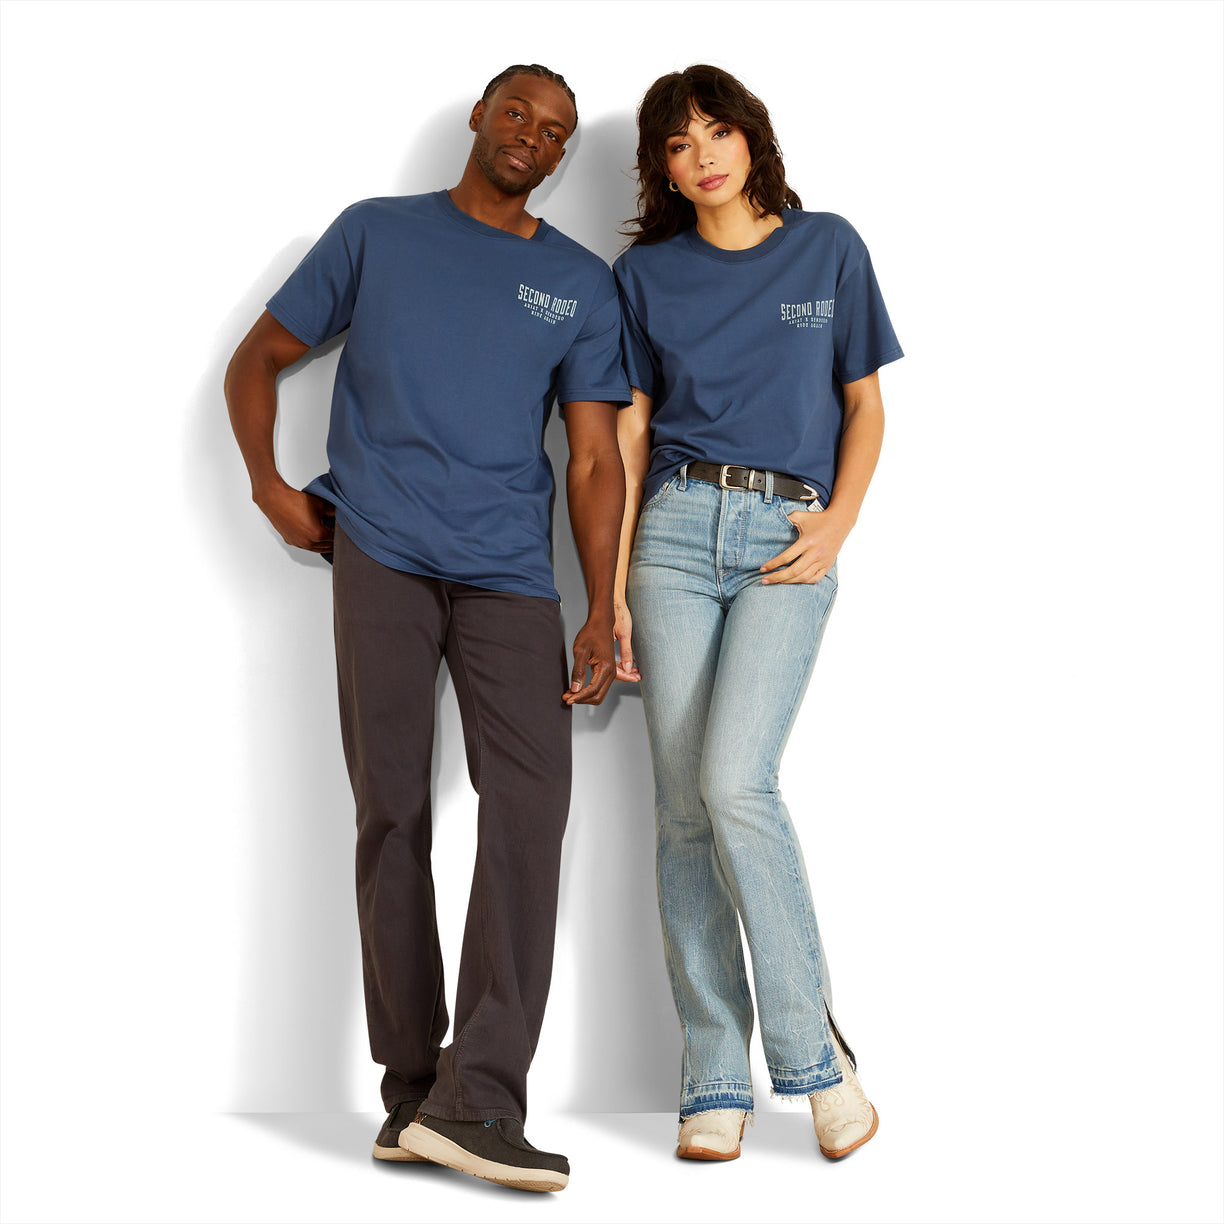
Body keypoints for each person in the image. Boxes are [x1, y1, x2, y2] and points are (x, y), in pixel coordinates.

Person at [224, 64, 629, 1193]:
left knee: (529, 810)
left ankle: (481, 1094)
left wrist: (602, 604)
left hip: (509, 576)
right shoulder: (376, 233)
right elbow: (258, 358)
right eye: (517, 114)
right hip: (382, 554)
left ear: (559, 159)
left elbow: (594, 456)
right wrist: (268, 485)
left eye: (554, 134)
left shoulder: (580, 284)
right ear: (480, 119)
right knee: (390, 811)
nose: (532, 138)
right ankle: (413, 1099)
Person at [611, 65, 903, 1162]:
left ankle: (816, 1060)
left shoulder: (827, 247)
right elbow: (632, 436)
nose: (702, 158)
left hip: (789, 535)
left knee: (737, 780)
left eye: (716, 133)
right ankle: (714, 1076)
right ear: (664, 170)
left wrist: (841, 525)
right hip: (676, 537)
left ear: (750, 138)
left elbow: (865, 404)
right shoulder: (644, 276)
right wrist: (615, 588)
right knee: (684, 809)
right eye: (679, 147)